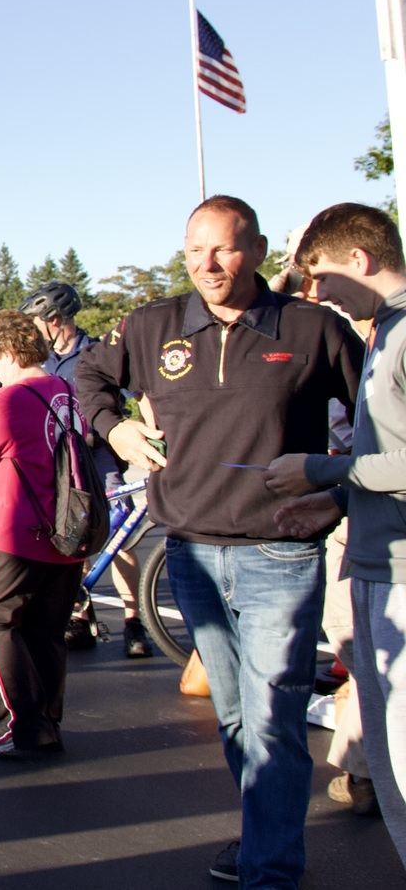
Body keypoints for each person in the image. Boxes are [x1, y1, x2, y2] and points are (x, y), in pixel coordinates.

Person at [76, 194, 363, 887]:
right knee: (235, 718)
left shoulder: (314, 326)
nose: (207, 263)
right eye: (194, 248)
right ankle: (262, 832)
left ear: (259, 250)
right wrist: (116, 429)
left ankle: (271, 868)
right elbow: (89, 377)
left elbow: (385, 422)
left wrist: (339, 493)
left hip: (281, 553)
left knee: (273, 720)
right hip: (190, 555)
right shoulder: (151, 326)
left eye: (225, 248)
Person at [264, 203, 406, 859]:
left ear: (361, 260)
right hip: (375, 566)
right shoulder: (381, 332)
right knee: (387, 759)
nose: (314, 293)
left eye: (319, 275)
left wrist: (323, 468)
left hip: (399, 573)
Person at [0, 310, 89, 757]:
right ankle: (45, 724)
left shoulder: (8, 401)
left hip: (16, 530)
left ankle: (20, 724)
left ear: (11, 353)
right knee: (45, 630)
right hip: (66, 529)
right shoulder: (65, 390)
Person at [19, 282, 150, 658]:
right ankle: (82, 615)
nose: (31, 329)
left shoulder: (97, 353)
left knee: (118, 537)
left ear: (55, 320)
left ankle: (133, 620)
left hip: (99, 455)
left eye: (35, 322)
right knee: (74, 534)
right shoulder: (41, 361)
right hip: (61, 459)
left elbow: (137, 396)